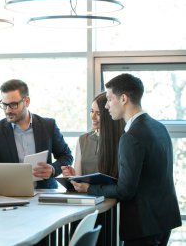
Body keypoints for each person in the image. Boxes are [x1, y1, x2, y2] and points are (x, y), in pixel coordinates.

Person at [72, 73, 182, 246]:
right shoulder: (159, 127)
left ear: (123, 98)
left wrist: (89, 188)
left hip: (143, 226)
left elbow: (125, 190)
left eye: (109, 99)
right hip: (163, 221)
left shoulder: (131, 136)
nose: (107, 106)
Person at [0, 79, 73, 189]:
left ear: (27, 101)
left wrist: (53, 169)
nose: (7, 110)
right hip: (9, 193)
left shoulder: (48, 126)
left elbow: (66, 156)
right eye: (4, 104)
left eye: (13, 104)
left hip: (44, 193)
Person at [61, 92, 125, 178]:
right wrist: (72, 176)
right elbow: (78, 179)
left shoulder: (123, 140)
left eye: (98, 113)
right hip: (85, 192)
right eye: (92, 111)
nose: (92, 116)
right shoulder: (83, 140)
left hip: (110, 191)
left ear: (109, 115)